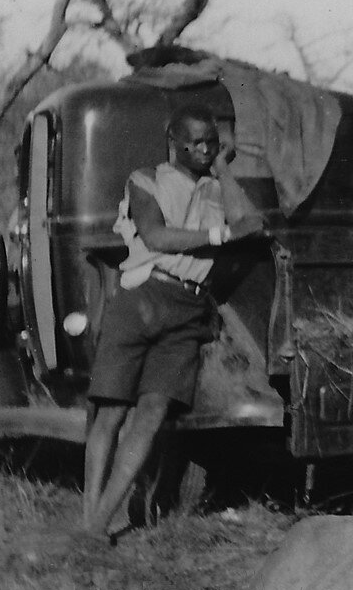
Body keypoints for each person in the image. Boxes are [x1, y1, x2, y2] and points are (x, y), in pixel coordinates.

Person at [82, 106, 265, 539]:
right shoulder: (145, 178)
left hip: (188, 309)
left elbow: (250, 224)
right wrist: (220, 236)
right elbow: (157, 237)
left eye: (212, 144)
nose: (204, 150)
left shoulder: (217, 187)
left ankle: (99, 523)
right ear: (173, 141)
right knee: (110, 411)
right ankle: (89, 517)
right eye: (196, 143)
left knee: (152, 413)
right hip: (141, 297)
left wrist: (222, 169)